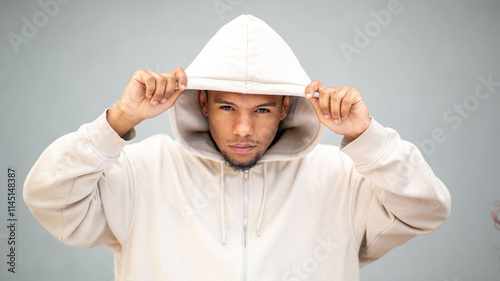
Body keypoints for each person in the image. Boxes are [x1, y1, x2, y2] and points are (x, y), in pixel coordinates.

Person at [24, 14, 451, 280]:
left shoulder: (340, 175)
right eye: (227, 107)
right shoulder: (143, 171)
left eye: (262, 110)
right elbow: (49, 198)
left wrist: (366, 137)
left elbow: (426, 208)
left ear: (287, 106)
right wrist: (119, 121)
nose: (243, 129)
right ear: (203, 101)